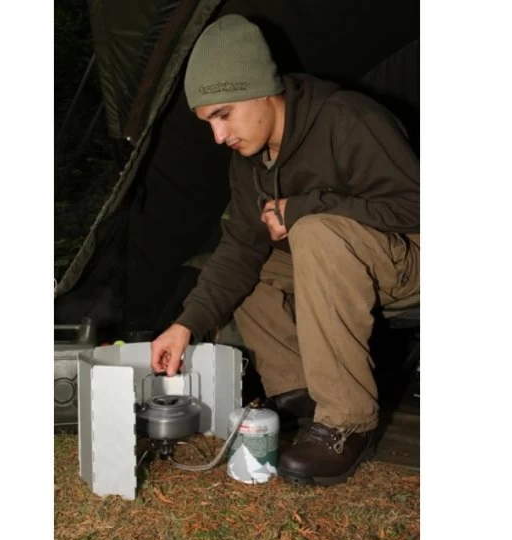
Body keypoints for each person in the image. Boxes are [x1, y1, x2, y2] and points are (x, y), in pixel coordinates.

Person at [150, 14, 420, 486]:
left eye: (223, 115)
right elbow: (239, 249)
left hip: (411, 259)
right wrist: (185, 325)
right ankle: (301, 394)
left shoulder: (348, 119)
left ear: (261, 91)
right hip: (339, 262)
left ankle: (347, 422)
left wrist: (306, 208)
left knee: (313, 230)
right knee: (241, 270)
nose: (218, 137)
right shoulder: (249, 159)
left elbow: (417, 206)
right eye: (208, 123)